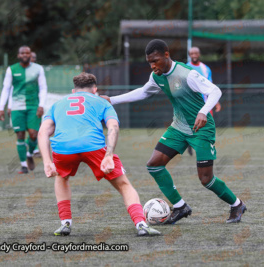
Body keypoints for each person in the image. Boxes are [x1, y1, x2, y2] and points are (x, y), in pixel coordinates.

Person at [101, 39, 246, 224]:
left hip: (201, 129)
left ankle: (236, 204)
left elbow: (215, 91)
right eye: (150, 62)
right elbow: (144, 92)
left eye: (156, 61)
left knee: (205, 179)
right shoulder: (157, 76)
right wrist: (111, 100)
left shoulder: (187, 74)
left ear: (167, 55)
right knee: (154, 164)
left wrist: (203, 112)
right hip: (179, 127)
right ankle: (180, 207)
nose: (153, 66)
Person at [38, 72, 160, 236]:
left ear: (73, 91)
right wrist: (108, 155)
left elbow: (43, 132)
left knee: (61, 176)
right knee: (124, 185)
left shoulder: (57, 104)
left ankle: (65, 223)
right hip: (92, 146)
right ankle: (141, 225)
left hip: (63, 148)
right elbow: (113, 127)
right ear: (95, 89)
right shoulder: (102, 102)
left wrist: (47, 161)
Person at [0, 46, 47, 174]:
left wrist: (41, 105)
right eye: (22, 53)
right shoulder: (12, 69)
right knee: (20, 135)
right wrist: (1, 107)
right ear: (18, 55)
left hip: (33, 106)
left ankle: (30, 153)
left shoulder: (38, 69)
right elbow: (6, 89)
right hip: (16, 107)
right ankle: (24, 165)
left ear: (31, 55)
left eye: (27, 53)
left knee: (33, 134)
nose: (25, 55)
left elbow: (43, 88)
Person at [186, 47, 221, 156]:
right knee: (191, 125)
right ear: (189, 55)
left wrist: (216, 102)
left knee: (207, 124)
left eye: (196, 53)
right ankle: (190, 143)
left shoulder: (206, 69)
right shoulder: (185, 67)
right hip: (191, 102)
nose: (194, 55)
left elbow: (211, 86)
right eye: (192, 53)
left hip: (206, 103)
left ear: (199, 54)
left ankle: (205, 146)